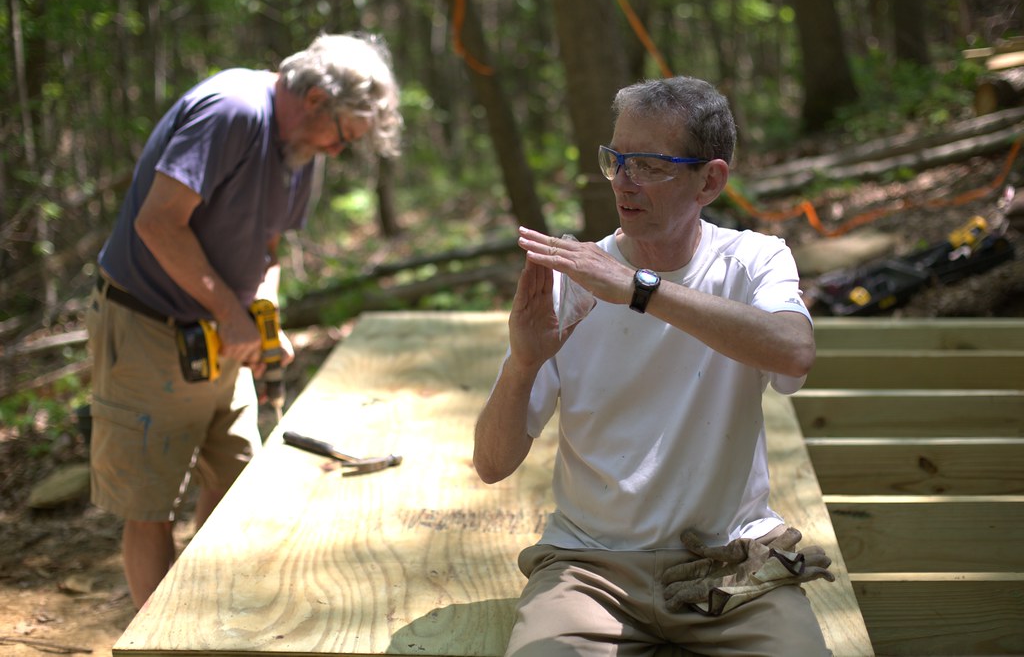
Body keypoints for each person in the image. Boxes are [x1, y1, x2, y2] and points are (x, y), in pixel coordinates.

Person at [473, 76, 834, 656]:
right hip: (590, 570)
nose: (622, 181)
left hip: (733, 562)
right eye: (615, 160)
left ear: (709, 180)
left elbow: (795, 352)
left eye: (648, 165)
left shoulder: (753, 259)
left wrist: (640, 290)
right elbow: (492, 465)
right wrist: (522, 363)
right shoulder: (572, 279)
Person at [86, 32, 402, 610]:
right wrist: (232, 314)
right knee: (149, 506)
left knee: (232, 482)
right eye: (342, 136)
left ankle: (207, 619)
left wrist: (260, 316)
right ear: (315, 100)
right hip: (146, 330)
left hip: (218, 336)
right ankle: (162, 647)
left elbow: (268, 246)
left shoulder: (300, 152)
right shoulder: (231, 112)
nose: (337, 151)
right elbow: (157, 225)